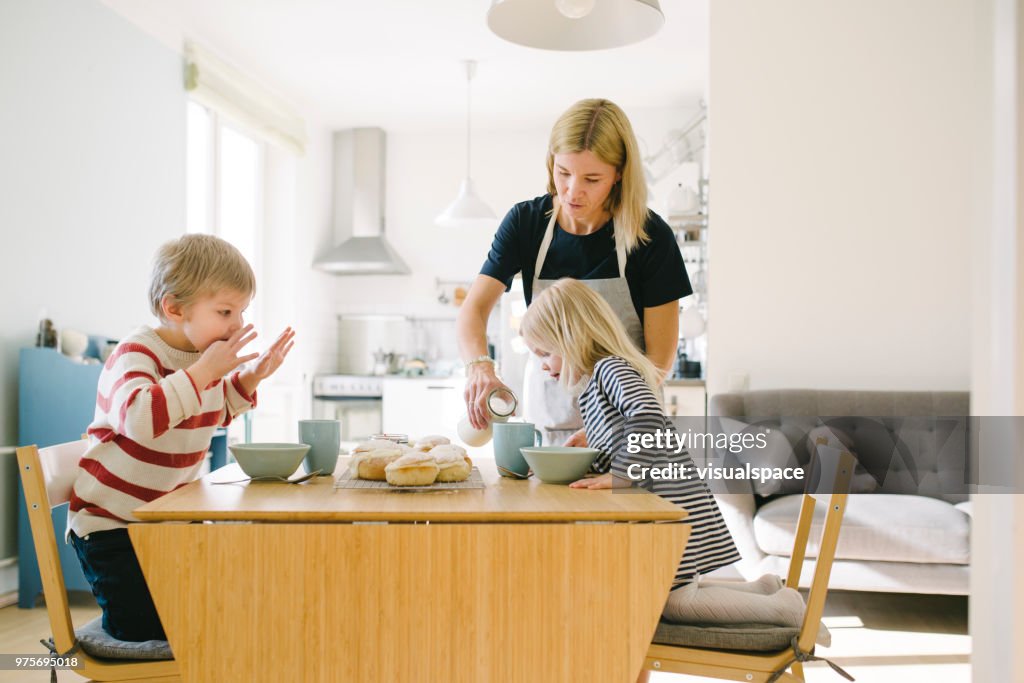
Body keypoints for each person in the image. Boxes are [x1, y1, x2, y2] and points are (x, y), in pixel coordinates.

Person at [520, 280, 813, 682]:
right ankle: (763, 589)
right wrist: (593, 437)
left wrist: (620, 476)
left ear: (571, 339)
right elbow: (626, 423)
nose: (543, 365)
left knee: (672, 603)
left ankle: (786, 609)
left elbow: (645, 418)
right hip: (664, 506)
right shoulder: (600, 378)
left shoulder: (610, 369)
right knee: (676, 592)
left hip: (666, 508)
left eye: (546, 353)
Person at [66, 234, 295, 642]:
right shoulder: (136, 354)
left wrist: (253, 376)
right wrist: (206, 371)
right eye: (226, 311)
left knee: (215, 609)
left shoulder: (197, 362)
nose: (238, 325)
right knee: (145, 628)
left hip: (166, 521)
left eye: (241, 311)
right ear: (173, 307)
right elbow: (140, 418)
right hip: (112, 527)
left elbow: (215, 407)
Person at [457, 98, 690, 446]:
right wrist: (479, 366)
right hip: (548, 425)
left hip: (626, 428)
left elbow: (657, 363)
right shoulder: (527, 224)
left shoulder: (650, 235)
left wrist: (605, 428)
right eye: (563, 172)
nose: (572, 191)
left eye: (592, 178)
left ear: (619, 173)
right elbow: (473, 310)